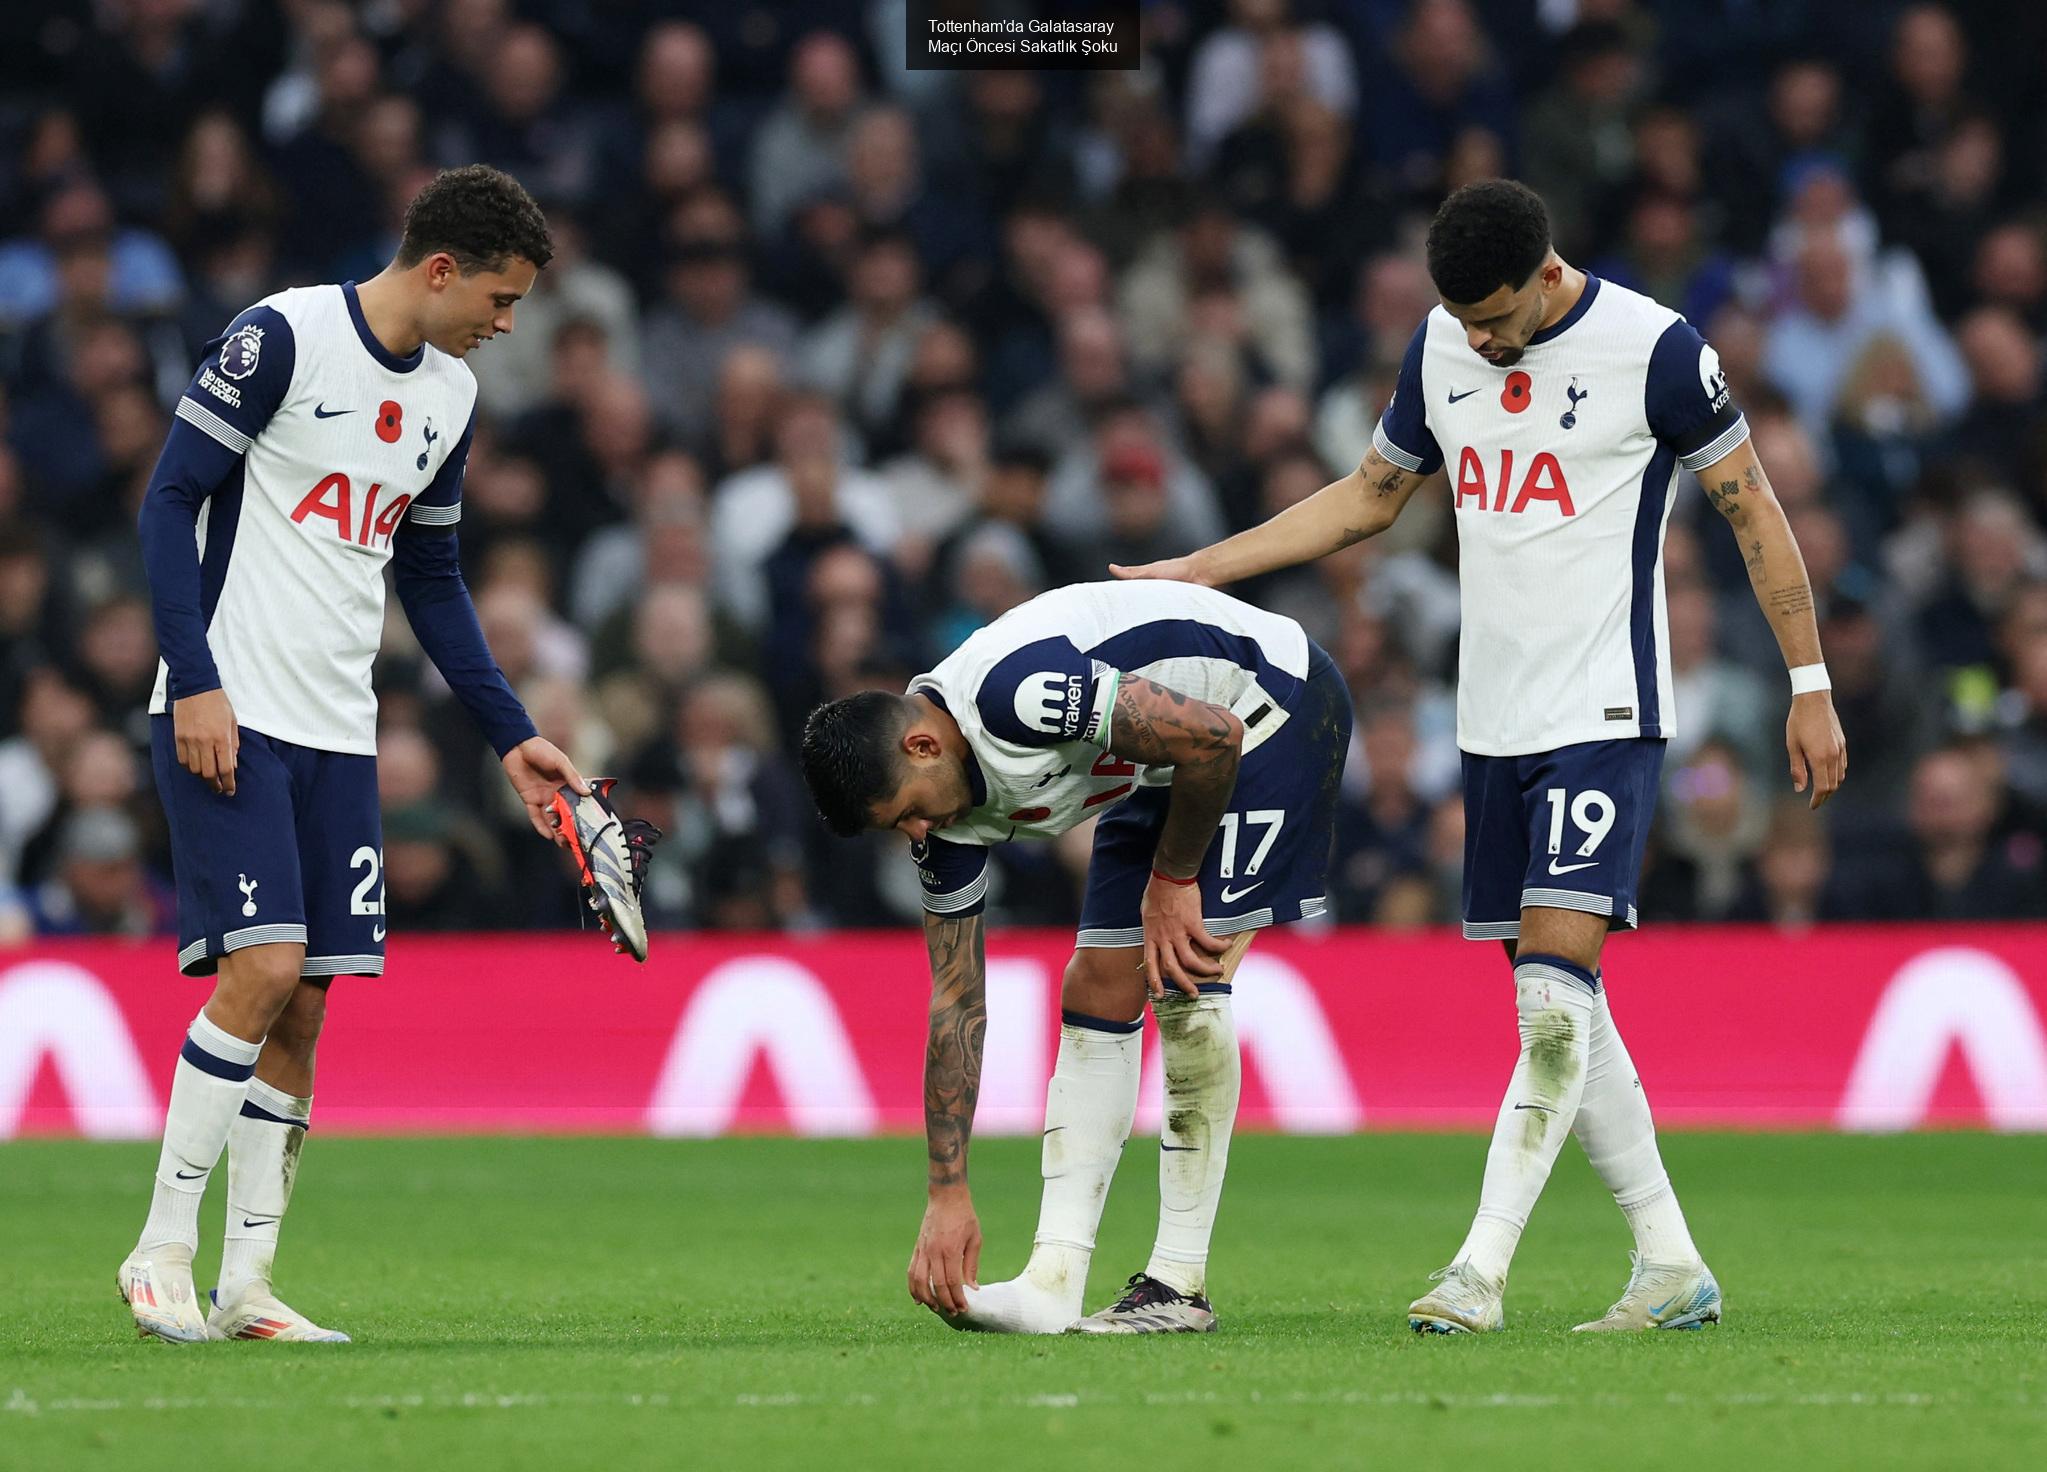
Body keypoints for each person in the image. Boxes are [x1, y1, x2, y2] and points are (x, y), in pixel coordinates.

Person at [1117, 181, 1847, 1333]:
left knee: (1551, 1005)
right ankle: (1669, 1262)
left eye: (1495, 317)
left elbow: (1752, 509)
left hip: (1604, 708)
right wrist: (1198, 570)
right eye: (1460, 319)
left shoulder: (1655, 349)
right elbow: (1367, 498)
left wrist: (1808, 685)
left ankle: (1479, 1270)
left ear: (1548, 273)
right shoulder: (1439, 347)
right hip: (1491, 720)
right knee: (1562, 1001)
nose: (1480, 341)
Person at [122, 165, 590, 1344]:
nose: (507, 321)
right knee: (265, 964)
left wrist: (509, 732)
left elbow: (428, 578)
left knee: (310, 1000)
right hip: (230, 704)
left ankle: (248, 1285)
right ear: (442, 268)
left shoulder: (452, 396)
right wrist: (199, 678)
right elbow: (169, 501)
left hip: (340, 725)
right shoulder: (281, 334)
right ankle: (160, 1249)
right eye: (502, 295)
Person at [799, 579, 1351, 1334]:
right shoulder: (946, 818)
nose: (919, 837)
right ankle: (1052, 1279)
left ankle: (1176, 1286)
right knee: (1095, 988)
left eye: (910, 814)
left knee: (1186, 980)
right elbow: (957, 1001)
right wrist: (946, 1192)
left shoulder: (1017, 695)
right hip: (1165, 765)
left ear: (922, 743)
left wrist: (1173, 878)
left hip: (1265, 709)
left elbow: (1214, 736)